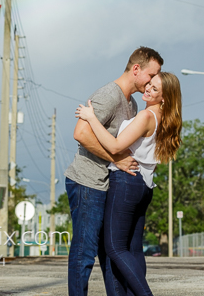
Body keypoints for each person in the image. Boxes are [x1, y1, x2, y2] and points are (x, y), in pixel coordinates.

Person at [64, 47, 163, 296]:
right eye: (152, 75)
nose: (152, 81)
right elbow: (81, 133)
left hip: (107, 183)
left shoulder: (130, 103)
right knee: (84, 251)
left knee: (110, 252)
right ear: (136, 69)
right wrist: (116, 158)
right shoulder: (109, 95)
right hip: (87, 182)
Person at [76, 72, 182, 296]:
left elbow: (115, 147)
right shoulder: (163, 118)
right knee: (133, 250)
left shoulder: (146, 117)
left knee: (114, 247)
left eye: (155, 89)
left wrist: (91, 117)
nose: (148, 90)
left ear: (164, 98)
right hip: (144, 186)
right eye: (149, 84)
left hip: (126, 181)